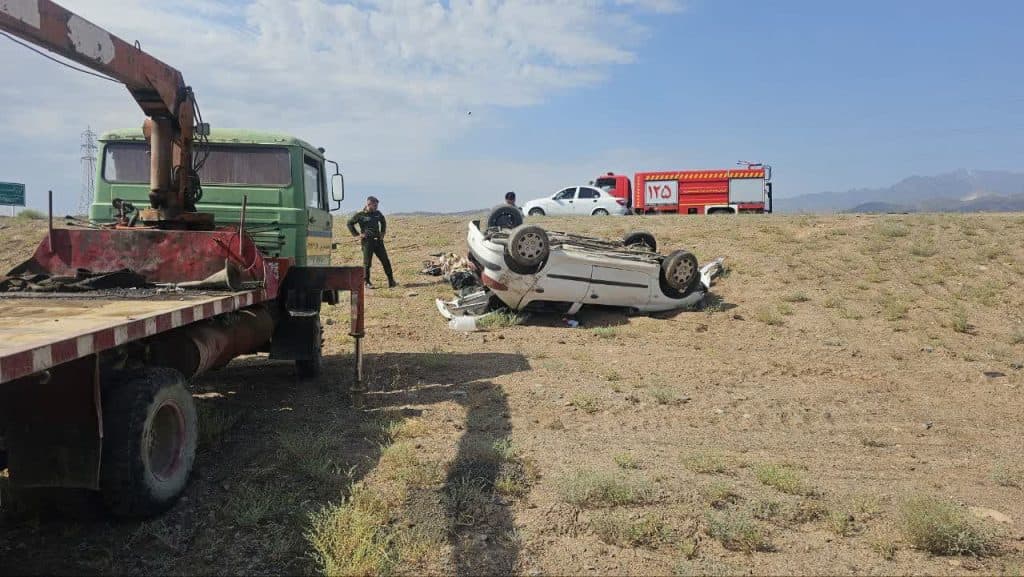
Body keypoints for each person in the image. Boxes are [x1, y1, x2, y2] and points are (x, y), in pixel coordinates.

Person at [347, 196, 396, 288]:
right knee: (367, 263)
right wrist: (357, 235)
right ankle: (367, 282)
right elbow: (349, 223)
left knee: (385, 260)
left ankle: (391, 280)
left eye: (377, 205)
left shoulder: (377, 213)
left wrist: (382, 232)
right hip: (367, 242)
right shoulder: (360, 214)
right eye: (375, 205)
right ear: (369, 204)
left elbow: (383, 221)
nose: (376, 207)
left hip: (378, 241)